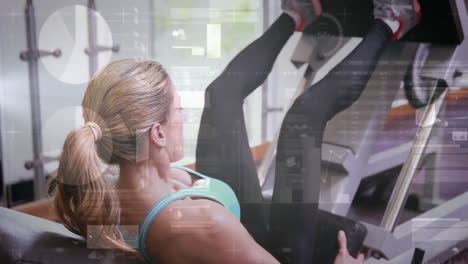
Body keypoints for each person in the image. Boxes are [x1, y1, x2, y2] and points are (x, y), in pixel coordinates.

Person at [49, 0, 421, 263]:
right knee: (302, 121)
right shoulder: (202, 225)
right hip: (279, 253)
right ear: (158, 135)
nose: (183, 118)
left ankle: (297, 14)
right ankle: (391, 21)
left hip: (231, 222)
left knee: (221, 94)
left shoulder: (107, 190)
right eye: (178, 111)